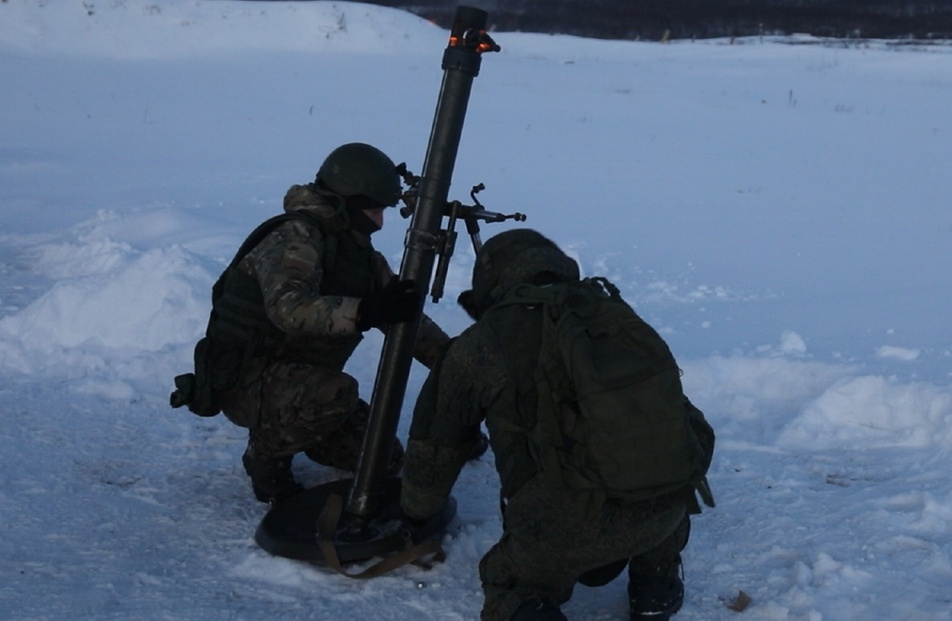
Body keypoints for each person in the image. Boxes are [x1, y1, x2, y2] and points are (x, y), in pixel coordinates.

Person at [400, 229, 714, 621]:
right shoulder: (610, 314)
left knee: (509, 580)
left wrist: (414, 512)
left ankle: (531, 604)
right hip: (662, 512)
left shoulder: (480, 343)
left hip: (561, 531)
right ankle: (656, 583)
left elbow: (436, 449)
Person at [187, 142, 452, 504]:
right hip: (249, 380)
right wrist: (363, 312)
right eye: (374, 210)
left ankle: (298, 427)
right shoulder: (294, 237)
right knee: (334, 393)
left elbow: (406, 318)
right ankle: (265, 455)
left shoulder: (355, 251)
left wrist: (455, 364)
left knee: (383, 459)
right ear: (347, 202)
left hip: (300, 380)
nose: (380, 222)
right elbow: (289, 309)